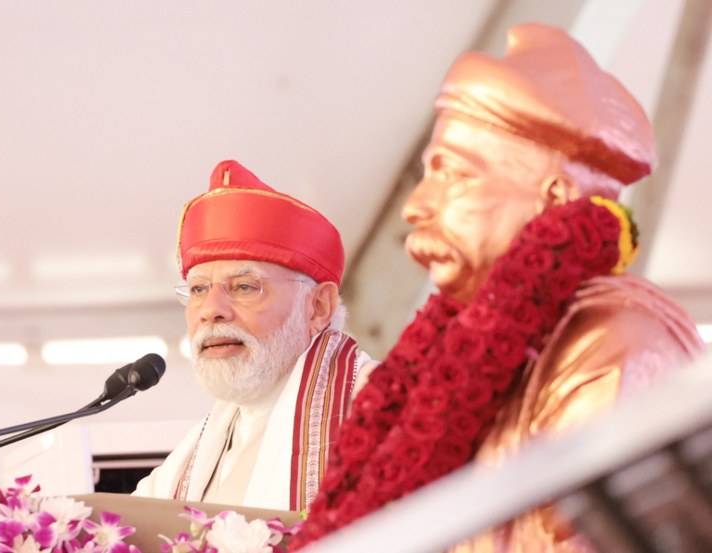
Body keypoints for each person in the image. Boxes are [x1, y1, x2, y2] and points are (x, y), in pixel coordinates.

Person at [291, 23, 705, 552]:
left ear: (555, 196)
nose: (416, 206)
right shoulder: (450, 349)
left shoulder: (614, 342)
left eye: (454, 173)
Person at [132, 159, 376, 512]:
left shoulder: (382, 403)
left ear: (319, 306)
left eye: (244, 287)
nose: (210, 310)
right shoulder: (192, 455)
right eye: (198, 289)